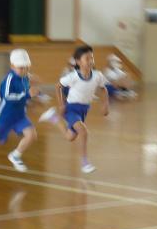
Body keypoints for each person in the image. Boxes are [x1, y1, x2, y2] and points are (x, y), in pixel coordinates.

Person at [41, 44, 108, 173]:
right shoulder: (73, 76)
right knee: (83, 131)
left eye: (92, 58)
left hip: (84, 110)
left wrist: (105, 104)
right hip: (71, 108)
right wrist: (61, 105)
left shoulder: (98, 75)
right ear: (78, 61)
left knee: (70, 137)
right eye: (87, 58)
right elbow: (58, 86)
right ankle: (85, 163)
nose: (91, 61)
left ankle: (53, 118)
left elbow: (103, 89)